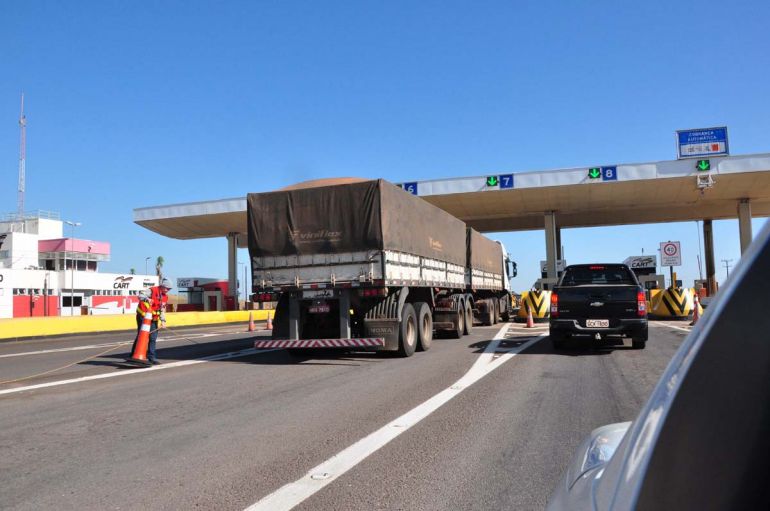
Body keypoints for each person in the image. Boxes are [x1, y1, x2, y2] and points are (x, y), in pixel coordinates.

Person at [130, 278, 172, 365]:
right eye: (167, 288)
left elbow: (162, 309)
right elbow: (140, 296)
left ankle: (151, 357)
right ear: (162, 286)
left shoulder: (165, 297)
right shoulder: (152, 290)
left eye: (169, 289)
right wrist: (147, 299)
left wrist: (163, 321)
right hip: (143, 316)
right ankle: (133, 354)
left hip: (154, 319)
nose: (168, 290)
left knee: (153, 338)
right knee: (141, 336)